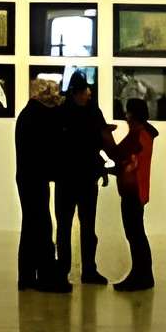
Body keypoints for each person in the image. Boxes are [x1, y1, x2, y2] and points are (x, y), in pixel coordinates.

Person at [52, 71, 115, 285]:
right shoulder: (88, 113)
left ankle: (74, 270)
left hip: (74, 178)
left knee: (78, 227)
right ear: (77, 93)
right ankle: (78, 270)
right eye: (86, 90)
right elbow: (101, 142)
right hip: (75, 178)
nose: (89, 92)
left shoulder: (64, 112)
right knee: (72, 226)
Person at [15, 80, 67, 291]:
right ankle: (45, 276)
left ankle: (27, 277)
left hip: (28, 177)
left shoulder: (28, 114)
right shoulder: (38, 116)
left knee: (31, 225)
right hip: (34, 178)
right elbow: (50, 146)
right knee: (41, 225)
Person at [111, 97, 157, 291]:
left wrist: (105, 135)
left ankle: (141, 276)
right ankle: (142, 274)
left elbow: (119, 154)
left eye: (128, 112)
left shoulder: (138, 134)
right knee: (137, 234)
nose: (126, 116)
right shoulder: (144, 133)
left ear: (134, 114)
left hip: (133, 191)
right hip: (137, 190)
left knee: (135, 234)